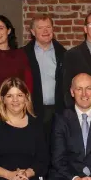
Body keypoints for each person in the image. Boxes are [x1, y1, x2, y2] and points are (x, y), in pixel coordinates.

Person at [0, 14, 33, 119]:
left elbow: (28, 83)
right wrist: (6, 102)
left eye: (1, 28)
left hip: (19, 109)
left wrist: (19, 102)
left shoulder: (21, 54)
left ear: (8, 30)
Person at [23, 14, 67, 143]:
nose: (46, 31)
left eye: (48, 27)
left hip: (58, 111)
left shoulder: (64, 54)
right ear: (32, 32)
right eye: (40, 28)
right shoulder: (23, 55)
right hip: (32, 110)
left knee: (57, 148)